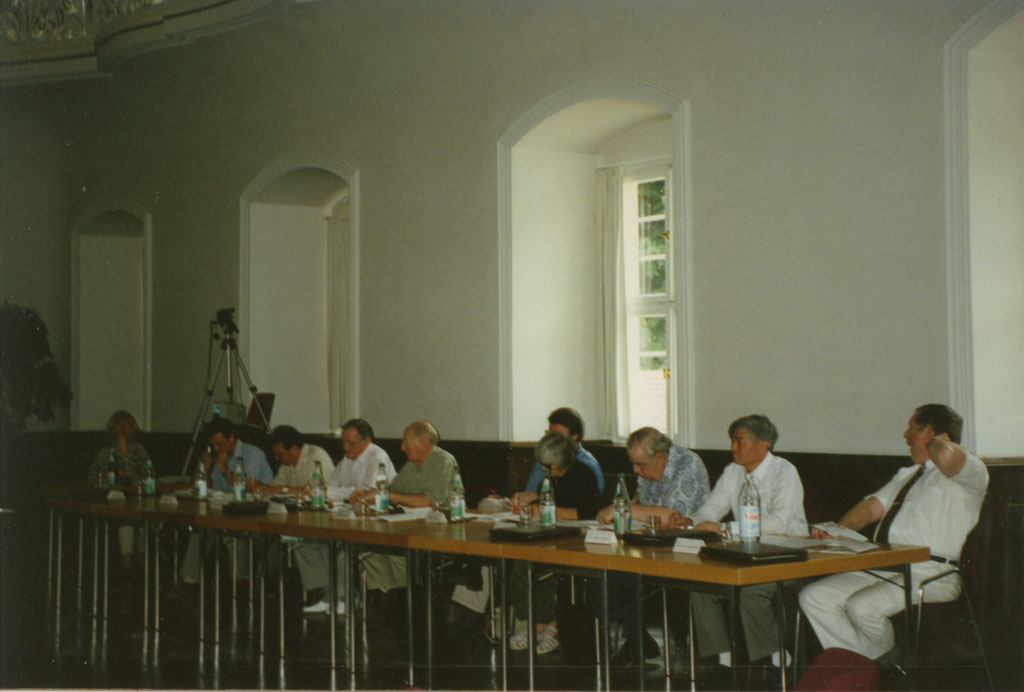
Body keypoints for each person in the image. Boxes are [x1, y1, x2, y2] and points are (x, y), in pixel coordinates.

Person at [798, 404, 988, 662]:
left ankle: (869, 667)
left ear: (929, 433)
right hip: (885, 566)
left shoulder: (968, 473)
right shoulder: (908, 475)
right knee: (813, 597)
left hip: (931, 573)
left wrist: (937, 441)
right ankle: (869, 666)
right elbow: (870, 509)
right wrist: (839, 530)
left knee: (862, 606)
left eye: (912, 428)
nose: (905, 435)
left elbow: (945, 456)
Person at [677, 414, 807, 673]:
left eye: (739, 442)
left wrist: (724, 528)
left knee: (751, 591)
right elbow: (713, 508)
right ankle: (723, 660)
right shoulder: (733, 471)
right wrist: (689, 521)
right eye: (732, 441)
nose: (733, 448)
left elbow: (778, 524)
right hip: (747, 553)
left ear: (763, 444)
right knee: (702, 587)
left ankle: (776, 660)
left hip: (787, 555)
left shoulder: (784, 471)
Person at [595, 426, 711, 665]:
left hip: (689, 549)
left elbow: (671, 517)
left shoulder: (688, 465)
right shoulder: (649, 468)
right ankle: (637, 641)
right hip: (654, 545)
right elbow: (641, 504)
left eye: (640, 465)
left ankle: (647, 644)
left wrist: (623, 509)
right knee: (604, 570)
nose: (635, 471)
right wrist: (623, 511)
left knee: (625, 575)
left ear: (661, 457)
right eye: (633, 464)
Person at [508, 431, 602, 655]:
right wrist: (531, 498)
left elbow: (588, 512)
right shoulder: (551, 475)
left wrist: (544, 509)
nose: (543, 470)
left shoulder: (583, 474)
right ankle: (539, 623)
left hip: (578, 539)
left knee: (542, 566)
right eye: (542, 464)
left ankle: (550, 624)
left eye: (548, 466)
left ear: (564, 462)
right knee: (520, 563)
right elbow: (547, 499)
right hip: (552, 534)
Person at [293, 418, 396, 614]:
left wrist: (335, 493)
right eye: (343, 443)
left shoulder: (378, 457)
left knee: (336, 540)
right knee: (304, 541)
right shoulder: (348, 457)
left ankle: (346, 597)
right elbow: (331, 486)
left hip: (376, 519)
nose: (346, 448)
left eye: (351, 443)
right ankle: (327, 594)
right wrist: (323, 491)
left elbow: (365, 493)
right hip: (349, 515)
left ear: (366, 441)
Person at [349, 420, 458, 597]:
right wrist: (369, 494)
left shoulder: (443, 461)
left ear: (423, 442)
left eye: (406, 442)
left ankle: (404, 596)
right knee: (369, 545)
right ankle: (388, 594)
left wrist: (387, 495)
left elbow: (430, 501)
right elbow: (391, 491)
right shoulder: (411, 465)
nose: (402, 447)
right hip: (410, 526)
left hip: (439, 530)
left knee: (395, 548)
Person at [180, 418, 274, 584]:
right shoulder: (221, 457)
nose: (216, 449)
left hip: (255, 513)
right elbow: (212, 490)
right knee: (200, 528)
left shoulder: (253, 454)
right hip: (227, 511)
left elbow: (248, 488)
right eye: (213, 445)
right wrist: (206, 470)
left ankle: (241, 583)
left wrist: (225, 471)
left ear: (232, 437)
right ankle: (189, 580)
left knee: (236, 532)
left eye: (220, 444)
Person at [86, 410, 150, 570]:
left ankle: (142, 556)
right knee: (126, 519)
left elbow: (149, 472)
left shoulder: (139, 449)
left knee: (143, 517)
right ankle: (127, 560)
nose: (122, 428)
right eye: (118, 424)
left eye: (126, 424)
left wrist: (138, 476)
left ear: (132, 427)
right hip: (115, 498)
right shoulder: (106, 451)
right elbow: (91, 476)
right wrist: (104, 475)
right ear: (112, 428)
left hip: (137, 496)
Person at [523, 407, 605, 494]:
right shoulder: (546, 457)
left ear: (574, 437)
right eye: (549, 434)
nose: (550, 440)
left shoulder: (587, 464)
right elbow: (531, 490)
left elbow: (590, 501)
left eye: (557, 436)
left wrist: (537, 498)